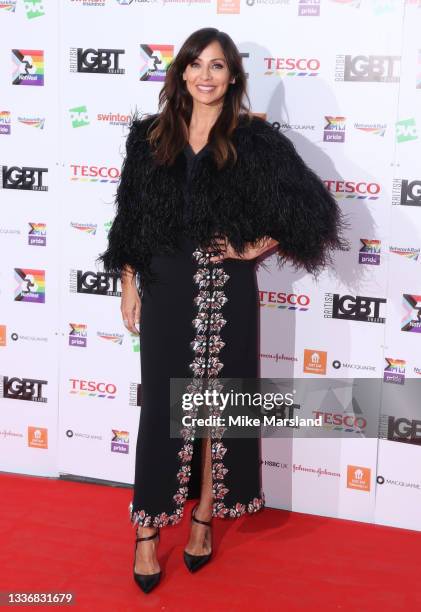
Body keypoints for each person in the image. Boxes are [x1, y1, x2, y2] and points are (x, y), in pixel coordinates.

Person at [99, 27, 345, 594]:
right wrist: (129, 282)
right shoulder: (149, 137)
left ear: (232, 76)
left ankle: (203, 521)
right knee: (162, 407)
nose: (205, 76)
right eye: (196, 65)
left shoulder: (253, 140)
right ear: (181, 72)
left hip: (223, 289)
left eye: (217, 66)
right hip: (163, 284)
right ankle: (146, 532)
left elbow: (311, 211)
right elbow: (131, 217)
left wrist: (250, 247)